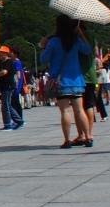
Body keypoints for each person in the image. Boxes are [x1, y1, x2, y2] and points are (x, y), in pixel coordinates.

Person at [40, 14, 93, 148]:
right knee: (79, 110)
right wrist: (80, 34)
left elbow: (43, 59)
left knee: (65, 111)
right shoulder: (75, 40)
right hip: (76, 81)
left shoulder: (53, 42)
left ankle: (67, 140)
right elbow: (87, 50)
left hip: (61, 82)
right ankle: (88, 137)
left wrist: (43, 45)